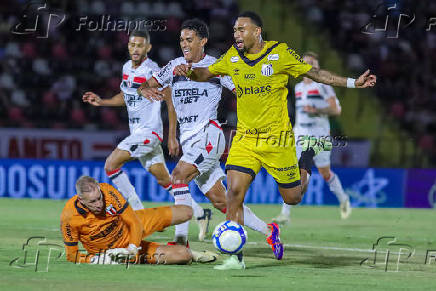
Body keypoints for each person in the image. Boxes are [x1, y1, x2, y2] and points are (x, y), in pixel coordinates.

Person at [171, 11, 376, 270]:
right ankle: (235, 257)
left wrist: (353, 83)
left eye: (242, 29)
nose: (236, 34)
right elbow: (206, 73)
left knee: (292, 197)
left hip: (277, 140)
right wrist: (188, 72)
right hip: (245, 139)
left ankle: (306, 160)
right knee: (234, 193)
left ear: (257, 32)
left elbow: (316, 74)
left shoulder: (280, 54)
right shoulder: (232, 57)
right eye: (234, 30)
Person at [138, 19, 275, 254]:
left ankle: (181, 241)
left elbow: (242, 91)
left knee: (179, 176)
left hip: (209, 134)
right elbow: (147, 84)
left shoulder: (217, 66)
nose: (184, 44)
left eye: (189, 39)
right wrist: (145, 89)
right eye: (181, 40)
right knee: (222, 201)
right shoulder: (173, 66)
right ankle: (270, 231)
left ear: (203, 41)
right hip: (190, 140)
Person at [82, 29, 211, 241]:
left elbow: (170, 101)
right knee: (165, 180)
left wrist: (171, 136)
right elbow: (126, 96)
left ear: (147, 48)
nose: (135, 49)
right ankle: (199, 213)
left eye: (140, 45)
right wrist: (102, 101)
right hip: (138, 132)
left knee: (111, 165)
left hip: (149, 132)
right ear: (128, 46)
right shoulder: (126, 68)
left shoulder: (152, 70)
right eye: (132, 45)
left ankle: (139, 215)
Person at [60, 175, 217, 265]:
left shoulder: (108, 191)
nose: (99, 204)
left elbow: (133, 221)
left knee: (186, 211)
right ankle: (189, 252)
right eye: (92, 202)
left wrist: (133, 248)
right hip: (113, 253)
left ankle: (183, 242)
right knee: (184, 255)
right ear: (81, 201)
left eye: (99, 198)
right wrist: (98, 259)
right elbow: (71, 255)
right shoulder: (69, 217)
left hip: (132, 229)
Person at [273, 52, 352, 224]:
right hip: (300, 133)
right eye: (306, 62)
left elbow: (336, 110)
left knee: (325, 173)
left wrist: (317, 110)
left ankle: (343, 199)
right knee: (294, 169)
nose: (309, 66)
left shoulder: (324, 86)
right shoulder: (298, 87)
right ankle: (285, 214)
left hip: (320, 134)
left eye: (312, 63)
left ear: (316, 66)